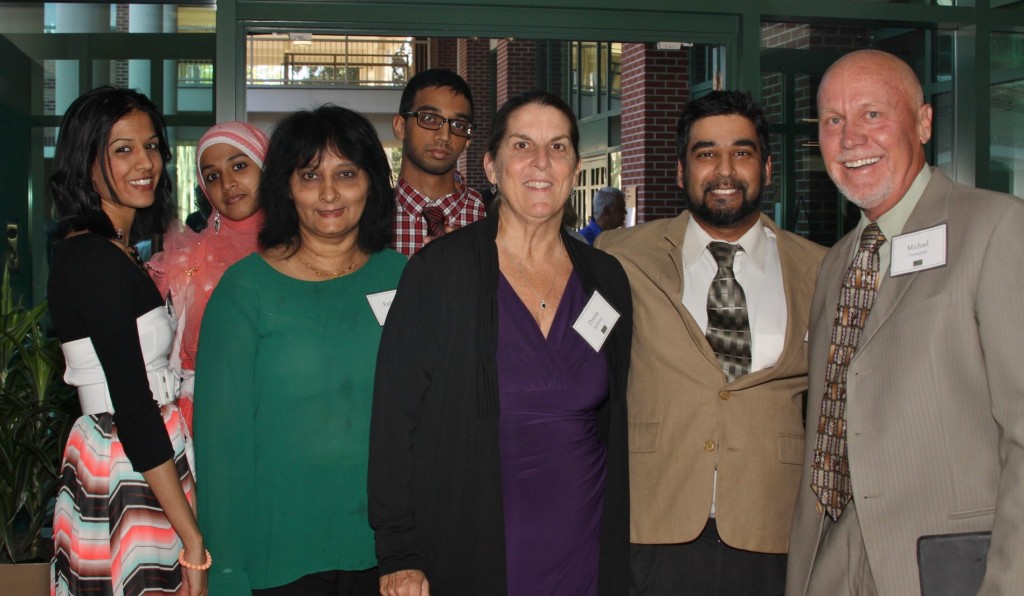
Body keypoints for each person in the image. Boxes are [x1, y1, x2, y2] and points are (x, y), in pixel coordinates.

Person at [369, 90, 633, 596]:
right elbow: (394, 421)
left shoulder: (606, 280)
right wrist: (399, 551)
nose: (541, 162)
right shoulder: (439, 273)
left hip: (586, 540)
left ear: (576, 168)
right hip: (474, 539)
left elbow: (616, 418)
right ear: (491, 166)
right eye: (521, 145)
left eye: (558, 148)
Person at [786, 49, 1024, 596]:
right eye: (833, 121)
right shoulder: (836, 264)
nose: (851, 139)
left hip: (951, 567)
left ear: (922, 122)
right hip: (833, 562)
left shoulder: (994, 230)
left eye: (873, 114)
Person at [596, 90, 826, 595]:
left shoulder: (819, 268)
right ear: (681, 171)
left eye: (741, 153)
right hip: (653, 521)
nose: (725, 169)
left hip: (773, 526)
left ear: (766, 167)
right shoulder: (620, 255)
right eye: (706, 154)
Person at [194, 105, 405, 595]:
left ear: (372, 182)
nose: (329, 193)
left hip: (389, 557)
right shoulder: (245, 290)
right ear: (285, 187)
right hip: (279, 556)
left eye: (346, 174)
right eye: (310, 175)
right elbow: (221, 448)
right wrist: (225, 571)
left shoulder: (403, 279)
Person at [47, 86, 209, 595]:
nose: (147, 162)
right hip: (127, 464)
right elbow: (134, 408)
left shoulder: (117, 250)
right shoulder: (92, 259)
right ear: (85, 162)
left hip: (144, 460)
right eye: (123, 149)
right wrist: (194, 545)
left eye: (153, 146)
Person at [147, 121, 269, 436]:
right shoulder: (187, 262)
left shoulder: (305, 251)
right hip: (208, 422)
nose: (228, 183)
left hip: (287, 418)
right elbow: (172, 361)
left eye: (239, 166)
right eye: (213, 176)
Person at [391, 68, 486, 255]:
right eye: (429, 119)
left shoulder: (493, 217)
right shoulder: (365, 216)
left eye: (458, 125)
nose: (444, 136)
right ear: (400, 126)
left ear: (468, 139)